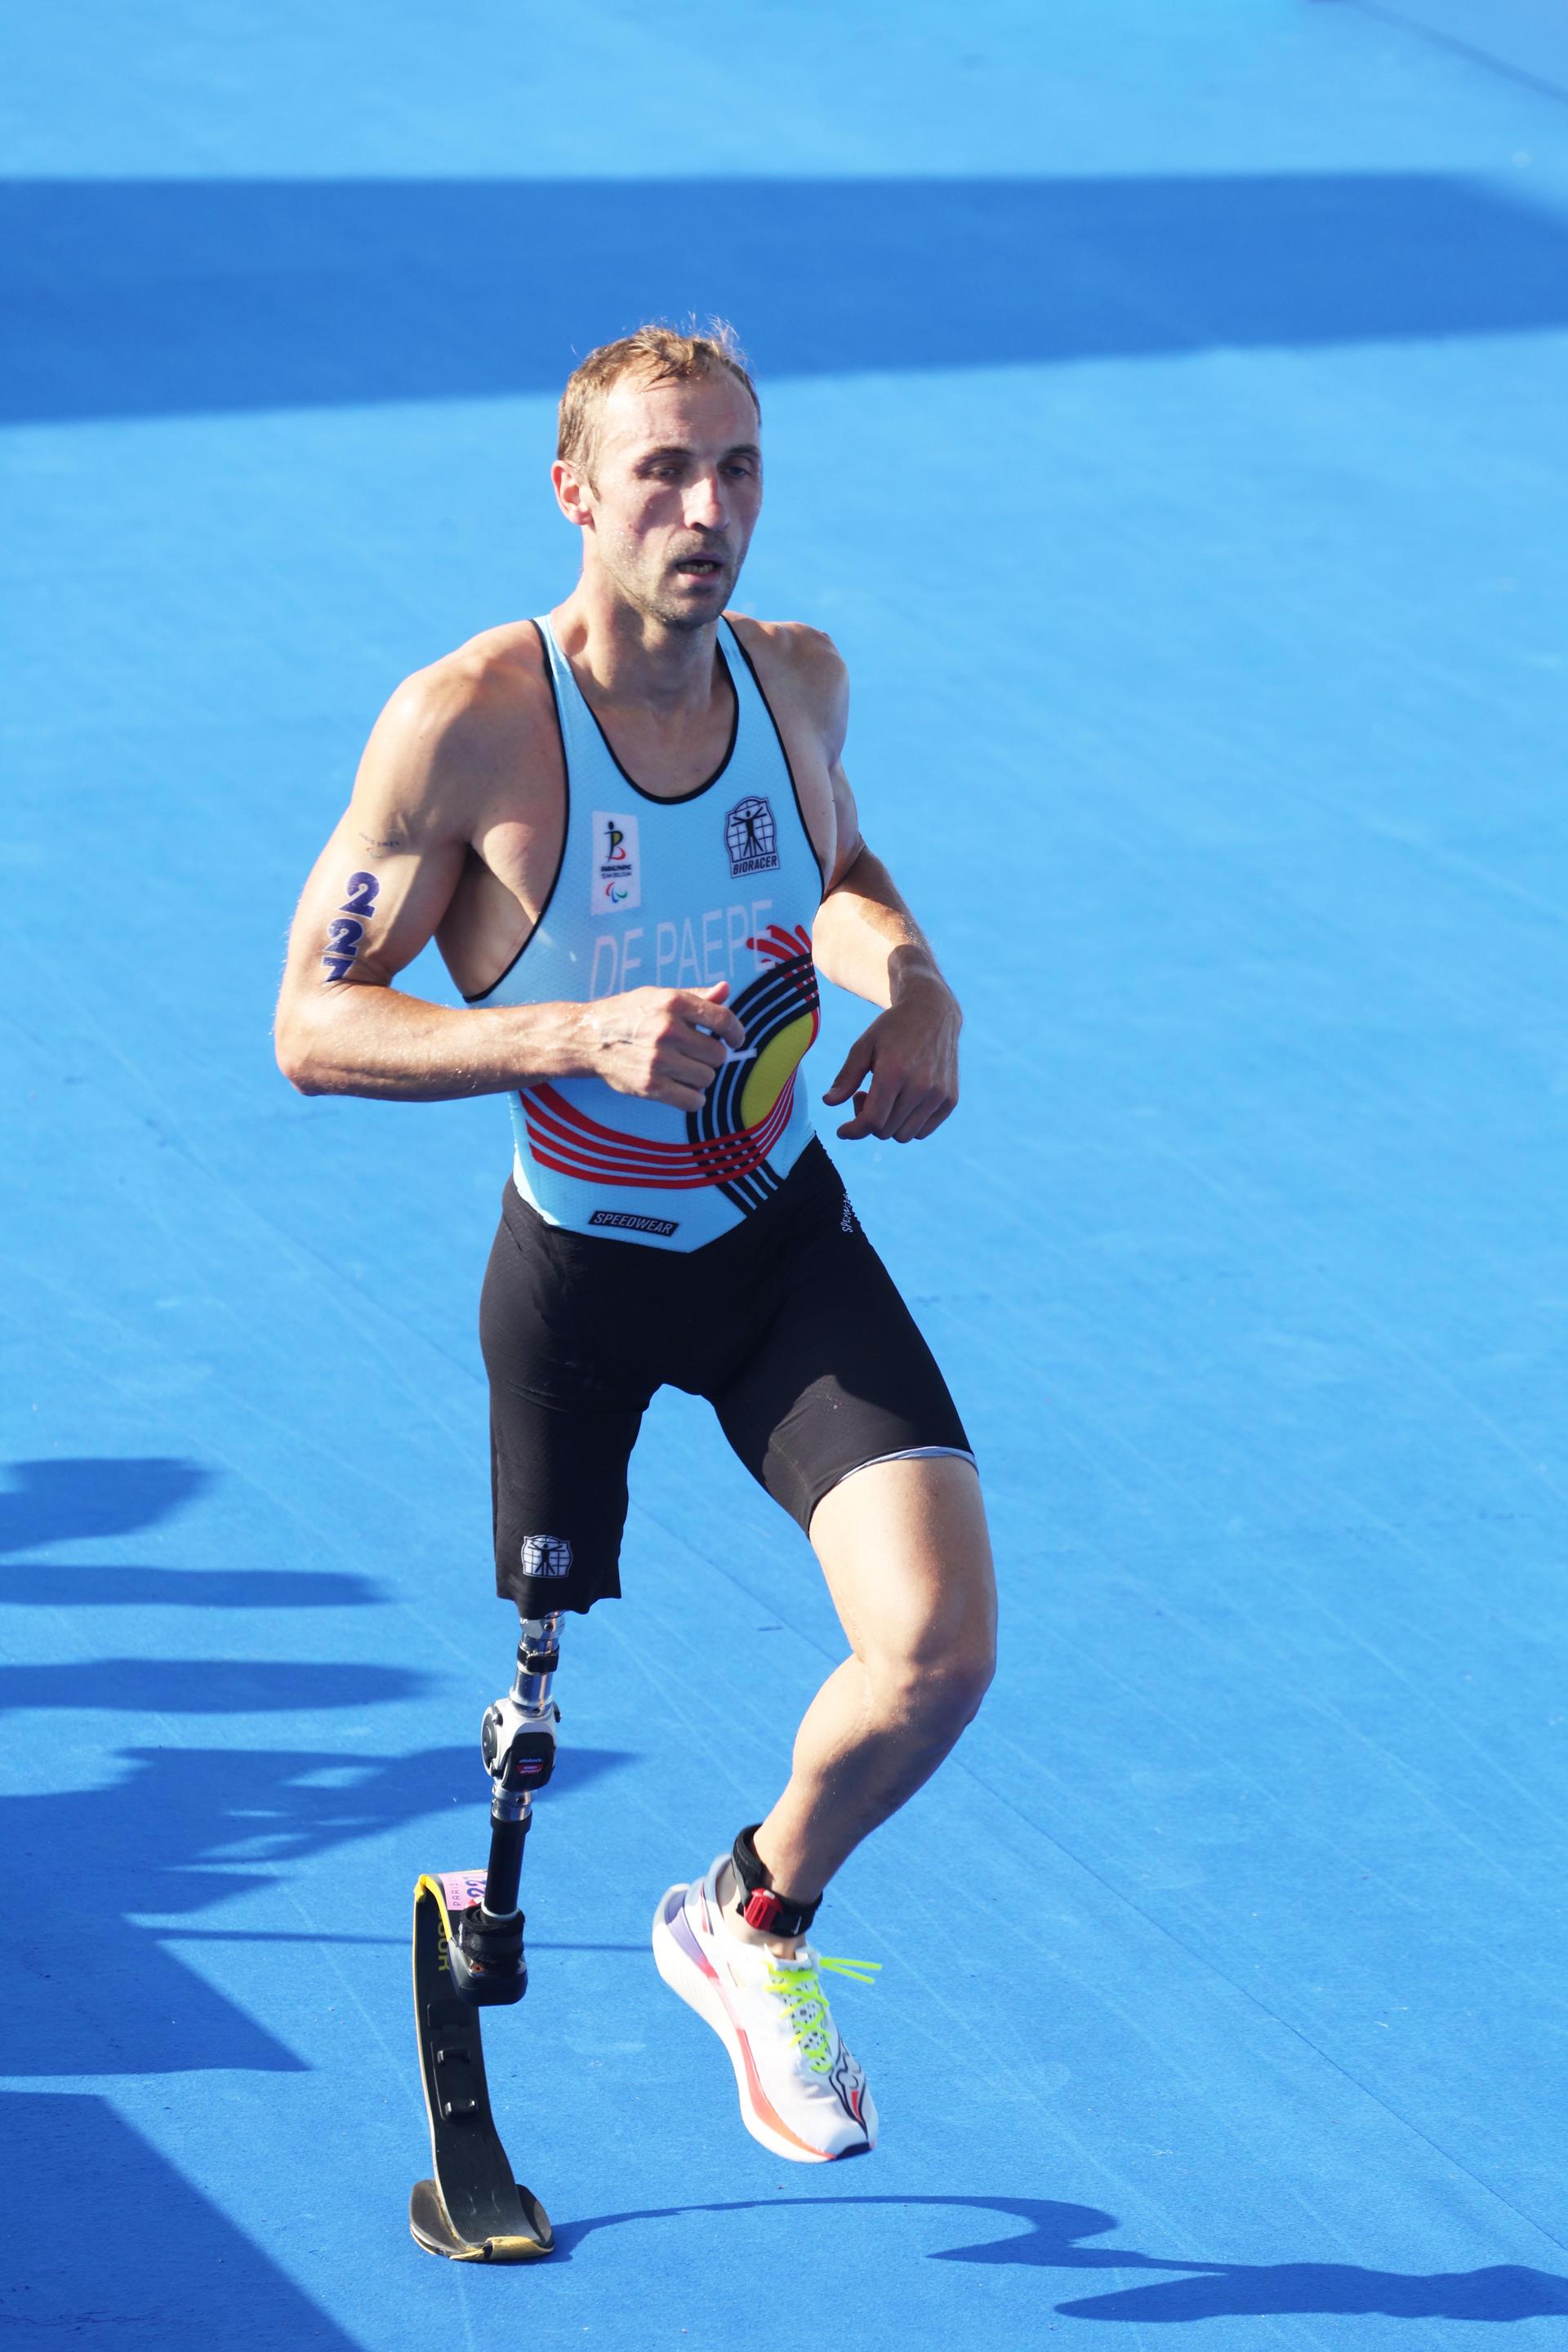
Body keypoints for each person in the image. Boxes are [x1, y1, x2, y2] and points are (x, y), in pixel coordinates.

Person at [274, 323, 996, 2165]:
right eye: (665, 473)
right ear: (575, 492)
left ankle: (750, 1915)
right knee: (533, 1703)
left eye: (738, 469)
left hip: (778, 1249)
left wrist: (913, 984)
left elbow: (835, 867)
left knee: (937, 1655)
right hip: (580, 1283)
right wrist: (565, 1033)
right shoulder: (469, 727)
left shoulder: (799, 681)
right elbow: (312, 1025)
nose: (708, 510)